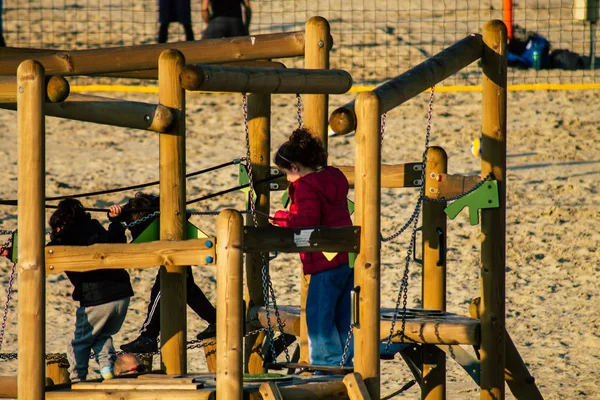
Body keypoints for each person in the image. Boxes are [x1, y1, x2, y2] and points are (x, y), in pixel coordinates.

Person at [272, 128, 354, 368]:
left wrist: (279, 218)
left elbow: (306, 223)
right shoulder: (333, 176)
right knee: (341, 315)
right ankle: (344, 362)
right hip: (344, 259)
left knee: (319, 316)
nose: (287, 179)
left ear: (295, 168)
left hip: (323, 262)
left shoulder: (306, 186)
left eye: (286, 173)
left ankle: (326, 365)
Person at [117, 193, 217, 354]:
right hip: (180, 248)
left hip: (176, 251)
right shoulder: (163, 211)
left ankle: (148, 337)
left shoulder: (158, 219)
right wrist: (116, 215)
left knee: (162, 288)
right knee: (188, 289)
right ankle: (215, 320)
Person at [48, 199, 134, 382]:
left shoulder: (65, 236)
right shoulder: (94, 226)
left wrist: (12, 253)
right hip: (122, 294)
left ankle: (78, 379)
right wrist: (115, 222)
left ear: (59, 225)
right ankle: (107, 370)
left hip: (97, 299)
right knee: (101, 335)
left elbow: (44, 256)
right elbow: (117, 244)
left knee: (79, 342)